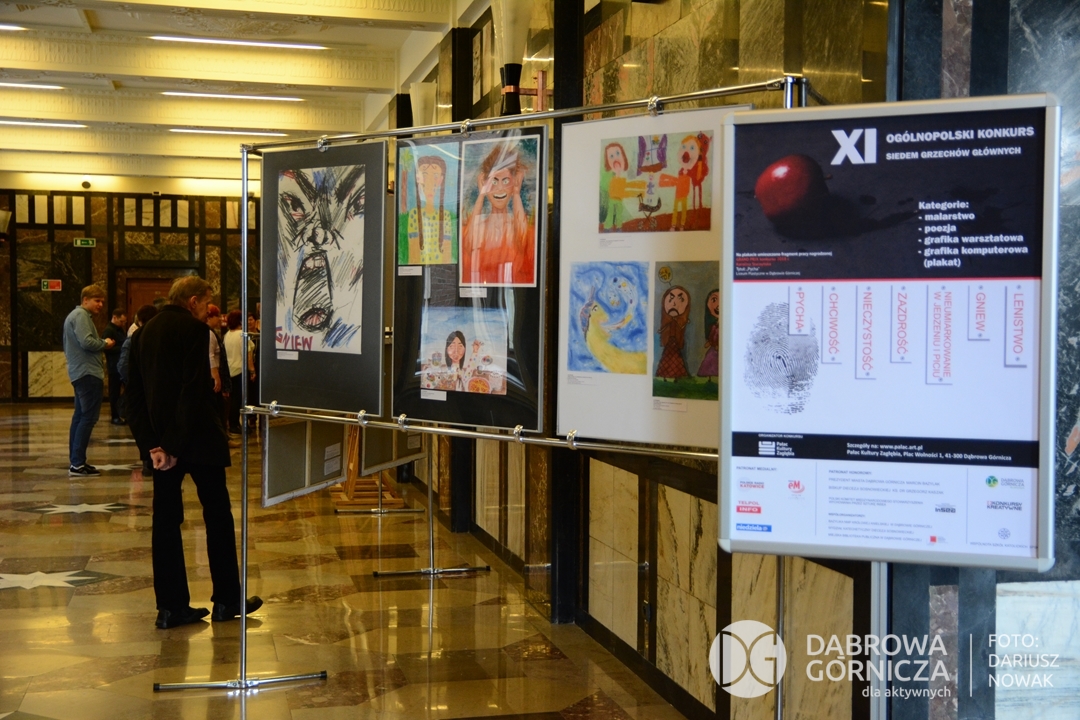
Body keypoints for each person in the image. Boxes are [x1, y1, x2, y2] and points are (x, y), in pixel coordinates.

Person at [126, 275, 261, 629]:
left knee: (165, 523)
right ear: (193, 301)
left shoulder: (142, 334)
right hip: (198, 441)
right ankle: (226, 600)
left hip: (162, 447)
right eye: (206, 301)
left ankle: (171, 607)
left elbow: (132, 399)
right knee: (217, 516)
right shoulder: (196, 331)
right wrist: (173, 445)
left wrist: (154, 446)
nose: (207, 309)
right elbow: (193, 392)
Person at [461, 142, 535, 285]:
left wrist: (516, 193)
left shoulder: (517, 224)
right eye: (494, 182)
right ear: (484, 183)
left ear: (514, 182)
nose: (499, 188)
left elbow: (524, 242)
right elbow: (468, 244)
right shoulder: (479, 224)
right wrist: (481, 194)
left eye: (505, 181)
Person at [63, 284, 115, 477]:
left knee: (80, 417)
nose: (100, 304)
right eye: (97, 300)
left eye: (102, 301)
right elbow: (87, 342)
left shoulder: (74, 316)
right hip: (88, 373)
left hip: (80, 372)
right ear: (85, 300)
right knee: (88, 418)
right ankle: (77, 464)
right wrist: (105, 343)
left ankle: (76, 461)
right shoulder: (81, 316)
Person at [119, 304, 158, 476]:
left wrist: (132, 382)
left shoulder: (134, 339)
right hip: (152, 392)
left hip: (140, 393)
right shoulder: (157, 338)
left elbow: (122, 367)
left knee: (144, 427)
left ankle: (149, 461)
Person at [223, 310, 255, 436]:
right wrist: (252, 370)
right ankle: (236, 424)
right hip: (240, 370)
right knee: (240, 399)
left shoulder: (227, 335)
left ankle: (233, 423)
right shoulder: (242, 335)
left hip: (230, 370)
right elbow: (247, 355)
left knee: (233, 399)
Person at [656, 286, 691, 381]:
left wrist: (685, 323)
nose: (674, 304)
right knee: (667, 358)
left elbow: (681, 327)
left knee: (676, 359)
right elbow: (665, 327)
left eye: (680, 300)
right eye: (670, 299)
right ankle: (665, 377)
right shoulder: (668, 322)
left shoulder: (678, 322)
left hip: (675, 342)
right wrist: (661, 331)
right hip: (670, 341)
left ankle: (676, 377)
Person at [101, 308, 127, 424]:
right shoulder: (109, 331)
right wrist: (123, 348)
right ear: (114, 317)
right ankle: (115, 416)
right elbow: (106, 349)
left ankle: (123, 413)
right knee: (114, 392)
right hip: (114, 366)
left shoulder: (120, 329)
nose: (123, 324)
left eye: (124, 322)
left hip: (121, 365)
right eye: (121, 321)